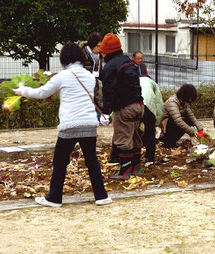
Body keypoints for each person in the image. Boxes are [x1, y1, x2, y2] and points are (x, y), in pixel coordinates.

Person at [13, 43, 112, 207]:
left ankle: (54, 198)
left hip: (70, 125)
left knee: (60, 161)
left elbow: (42, 93)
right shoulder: (89, 76)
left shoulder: (62, 76)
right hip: (89, 124)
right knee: (92, 161)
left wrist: (24, 91)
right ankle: (101, 196)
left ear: (64, 58)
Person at [99, 33, 144, 180]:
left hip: (125, 108)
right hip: (139, 106)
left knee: (122, 139)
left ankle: (124, 172)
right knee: (134, 136)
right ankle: (136, 167)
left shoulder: (110, 66)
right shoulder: (128, 62)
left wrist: (106, 112)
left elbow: (108, 90)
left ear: (106, 51)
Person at [139, 77, 164, 165]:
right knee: (150, 131)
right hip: (147, 105)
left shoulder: (132, 78)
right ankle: (150, 158)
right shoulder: (153, 83)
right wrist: (156, 123)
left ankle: (132, 156)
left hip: (134, 104)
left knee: (133, 130)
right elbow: (159, 104)